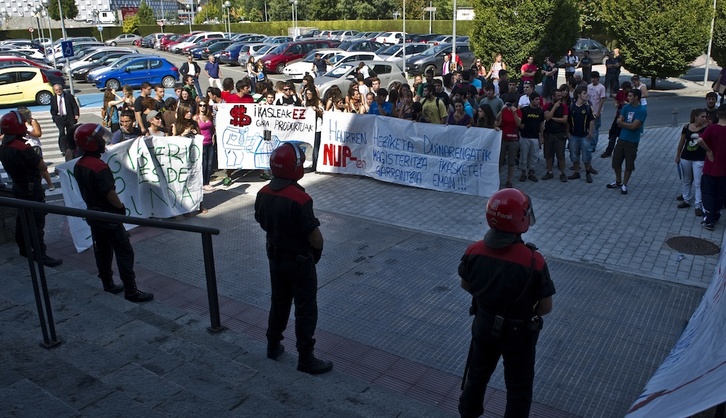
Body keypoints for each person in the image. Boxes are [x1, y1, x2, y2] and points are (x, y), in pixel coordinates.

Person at [458, 188, 555, 418]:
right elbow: (545, 307)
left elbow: (465, 284)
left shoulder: (474, 250)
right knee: (518, 389)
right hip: (519, 334)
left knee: (476, 377)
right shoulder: (534, 261)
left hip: (483, 325)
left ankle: (468, 413)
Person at [254, 142, 332, 375]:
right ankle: (306, 358)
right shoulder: (300, 198)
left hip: (275, 255)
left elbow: (261, 221)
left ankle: (273, 344)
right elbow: (315, 237)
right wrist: (315, 254)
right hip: (299, 260)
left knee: (279, 301)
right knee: (305, 308)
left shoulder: (262, 193)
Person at [72, 123, 153, 302]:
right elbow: (110, 194)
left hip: (93, 215)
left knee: (102, 250)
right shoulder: (99, 167)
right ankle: (131, 290)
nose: (103, 141)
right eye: (99, 139)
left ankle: (107, 283)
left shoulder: (80, 165)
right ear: (91, 143)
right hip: (108, 216)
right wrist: (120, 209)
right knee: (124, 251)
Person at [0, 111, 62, 266]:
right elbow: (41, 166)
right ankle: (41, 254)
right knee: (36, 223)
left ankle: (24, 249)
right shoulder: (23, 148)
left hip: (17, 187)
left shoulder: (4, 147)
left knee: (23, 221)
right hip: (31, 189)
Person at [607, 89, 647, 195]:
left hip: (632, 141)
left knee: (629, 164)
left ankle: (624, 184)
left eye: (630, 96)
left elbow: (635, 126)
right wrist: (626, 124)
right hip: (622, 138)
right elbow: (618, 121)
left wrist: (623, 124)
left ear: (636, 98)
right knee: (616, 161)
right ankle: (618, 181)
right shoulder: (625, 107)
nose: (627, 98)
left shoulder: (642, 110)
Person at [697, 104, 726, 230]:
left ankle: (708, 219)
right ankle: (716, 214)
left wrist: (709, 151)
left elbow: (699, 140)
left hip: (710, 168)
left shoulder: (712, 128)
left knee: (708, 193)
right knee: (720, 193)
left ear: (718, 114)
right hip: (724, 170)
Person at [675, 109, 708, 217]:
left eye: (705, 117)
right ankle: (687, 199)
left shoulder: (707, 128)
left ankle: (698, 205)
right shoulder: (687, 127)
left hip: (700, 159)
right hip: (686, 157)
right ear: (696, 117)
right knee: (687, 179)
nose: (704, 119)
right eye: (702, 117)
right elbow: (682, 142)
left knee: (698, 183)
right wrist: (678, 155)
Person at [17, 107, 53, 190]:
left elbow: (38, 133)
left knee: (40, 166)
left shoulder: (33, 121)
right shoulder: (19, 123)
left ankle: (50, 184)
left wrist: (27, 131)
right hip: (24, 147)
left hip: (34, 146)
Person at [568, 86, 596, 183]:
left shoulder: (588, 107)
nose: (586, 95)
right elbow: (568, 122)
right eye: (584, 93)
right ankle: (576, 172)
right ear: (579, 95)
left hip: (584, 135)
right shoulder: (571, 107)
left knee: (586, 155)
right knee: (574, 154)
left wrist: (590, 132)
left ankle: (588, 173)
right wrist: (568, 133)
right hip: (573, 135)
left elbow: (592, 120)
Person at [542, 89, 570, 182]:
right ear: (553, 97)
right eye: (558, 96)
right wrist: (554, 108)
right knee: (548, 155)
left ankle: (562, 173)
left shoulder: (564, 106)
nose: (560, 98)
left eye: (561, 96)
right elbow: (547, 117)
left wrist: (553, 118)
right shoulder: (546, 106)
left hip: (560, 134)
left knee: (561, 155)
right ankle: (549, 172)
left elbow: (565, 120)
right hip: (549, 134)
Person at [518, 92, 545, 183]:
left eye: (539, 99)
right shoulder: (524, 110)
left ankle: (531, 173)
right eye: (536, 100)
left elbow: (541, 124)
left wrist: (541, 136)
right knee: (524, 155)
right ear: (531, 100)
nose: (538, 101)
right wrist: (520, 128)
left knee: (534, 156)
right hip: (525, 136)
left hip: (535, 137)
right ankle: (523, 173)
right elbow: (519, 123)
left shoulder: (540, 111)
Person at [601, 81, 632, 158]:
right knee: (613, 133)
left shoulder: (632, 94)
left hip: (626, 118)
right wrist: (616, 103)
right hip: (618, 115)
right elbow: (616, 99)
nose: (625, 92)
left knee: (623, 135)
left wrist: (627, 104)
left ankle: (622, 152)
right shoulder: (620, 92)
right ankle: (609, 151)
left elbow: (635, 104)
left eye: (626, 90)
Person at [49, 84, 80, 160]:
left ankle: (72, 147)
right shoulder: (53, 98)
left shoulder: (69, 96)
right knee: (62, 132)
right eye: (56, 90)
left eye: (59, 89)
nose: (58, 91)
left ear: (62, 89)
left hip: (69, 117)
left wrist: (76, 114)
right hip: (59, 118)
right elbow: (52, 109)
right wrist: (55, 117)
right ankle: (63, 149)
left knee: (70, 132)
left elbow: (75, 106)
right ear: (54, 91)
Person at [497, 102, 522, 188]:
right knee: (499, 160)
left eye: (510, 105)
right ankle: (497, 178)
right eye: (508, 104)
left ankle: (509, 180)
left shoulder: (518, 111)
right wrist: (501, 111)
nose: (509, 107)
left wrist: (514, 112)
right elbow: (498, 122)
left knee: (511, 162)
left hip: (513, 140)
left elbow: (518, 123)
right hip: (503, 139)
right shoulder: (503, 111)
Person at [194, 101, 215, 192]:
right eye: (200, 105)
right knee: (204, 164)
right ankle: (203, 183)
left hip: (210, 142)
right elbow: (193, 128)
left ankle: (207, 182)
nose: (202, 107)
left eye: (204, 105)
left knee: (210, 164)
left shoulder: (209, 116)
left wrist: (213, 136)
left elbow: (212, 127)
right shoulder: (196, 118)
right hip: (201, 143)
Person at [586, 71, 607, 153]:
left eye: (594, 78)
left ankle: (593, 145)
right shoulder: (589, 86)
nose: (593, 79)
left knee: (595, 129)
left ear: (598, 78)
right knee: (589, 128)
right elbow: (587, 97)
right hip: (589, 110)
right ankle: (588, 143)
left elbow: (602, 100)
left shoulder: (601, 88)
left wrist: (598, 112)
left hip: (596, 111)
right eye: (592, 78)